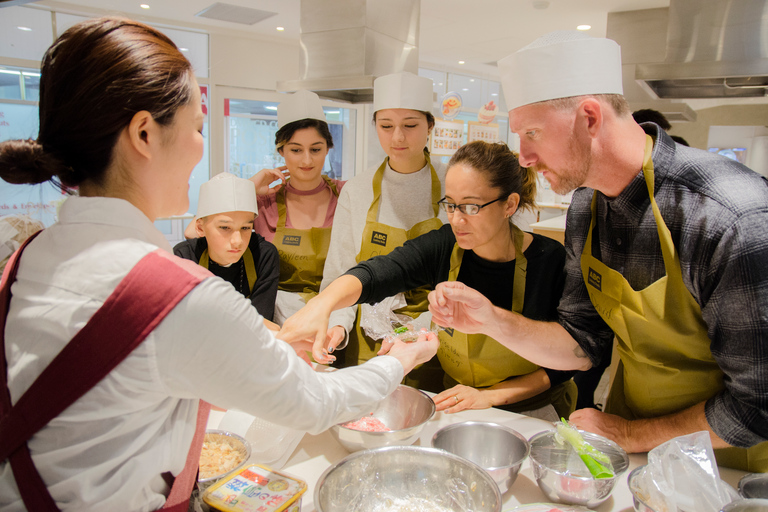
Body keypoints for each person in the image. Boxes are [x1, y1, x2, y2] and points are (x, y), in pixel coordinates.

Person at [0, 17, 438, 510]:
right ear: (145, 134)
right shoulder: (176, 295)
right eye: (198, 127)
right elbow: (314, 403)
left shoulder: (25, 258)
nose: (201, 148)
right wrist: (396, 361)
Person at [428, 30, 768, 472]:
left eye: (532, 132)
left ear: (590, 117)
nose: (524, 158)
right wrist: (492, 320)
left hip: (732, 464)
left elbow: (757, 405)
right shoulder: (587, 207)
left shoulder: (727, 216)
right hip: (639, 447)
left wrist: (631, 434)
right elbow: (582, 344)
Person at [280, 141, 577, 420]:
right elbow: (380, 272)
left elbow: (569, 362)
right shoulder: (446, 246)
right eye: (450, 205)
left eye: (471, 207)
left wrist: (492, 396)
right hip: (461, 401)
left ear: (509, 204)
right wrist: (323, 304)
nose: (458, 219)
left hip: (536, 409)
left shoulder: (549, 261)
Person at [314, 71, 447, 391]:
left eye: (410, 125)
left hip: (433, 343)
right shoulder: (358, 191)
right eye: (386, 126)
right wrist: (337, 325)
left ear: (430, 126)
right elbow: (340, 273)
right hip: (367, 344)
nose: (397, 137)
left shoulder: (454, 184)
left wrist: (422, 332)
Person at [174, 172, 279, 322]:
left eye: (245, 228)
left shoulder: (263, 256)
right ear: (200, 228)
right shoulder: (184, 258)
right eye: (225, 228)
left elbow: (261, 323)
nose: (237, 241)